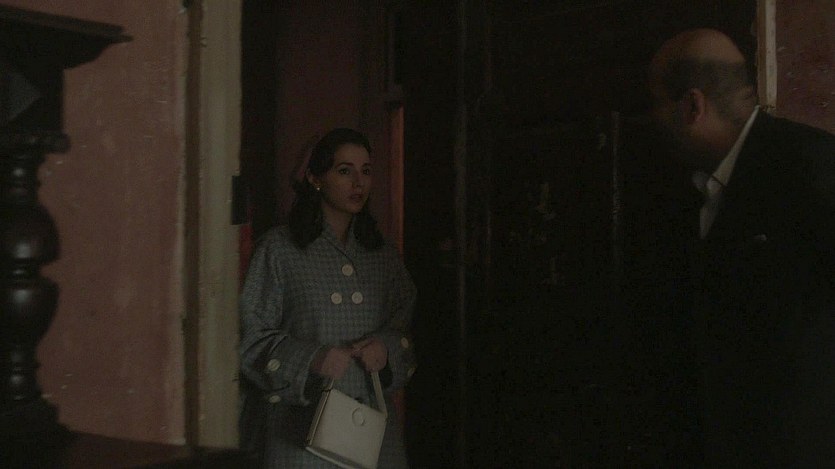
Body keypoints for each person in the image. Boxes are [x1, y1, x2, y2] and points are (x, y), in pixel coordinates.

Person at [647, 28, 835, 467]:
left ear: (692, 106)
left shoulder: (815, 167)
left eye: (655, 103)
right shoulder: (688, 188)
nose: (651, 119)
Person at [239, 128, 417, 468]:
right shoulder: (279, 249)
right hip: (297, 434)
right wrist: (312, 359)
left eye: (366, 171)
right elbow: (250, 341)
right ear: (315, 178)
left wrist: (386, 350)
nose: (358, 183)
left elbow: (405, 331)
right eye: (344, 170)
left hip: (369, 435)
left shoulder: (382, 254)